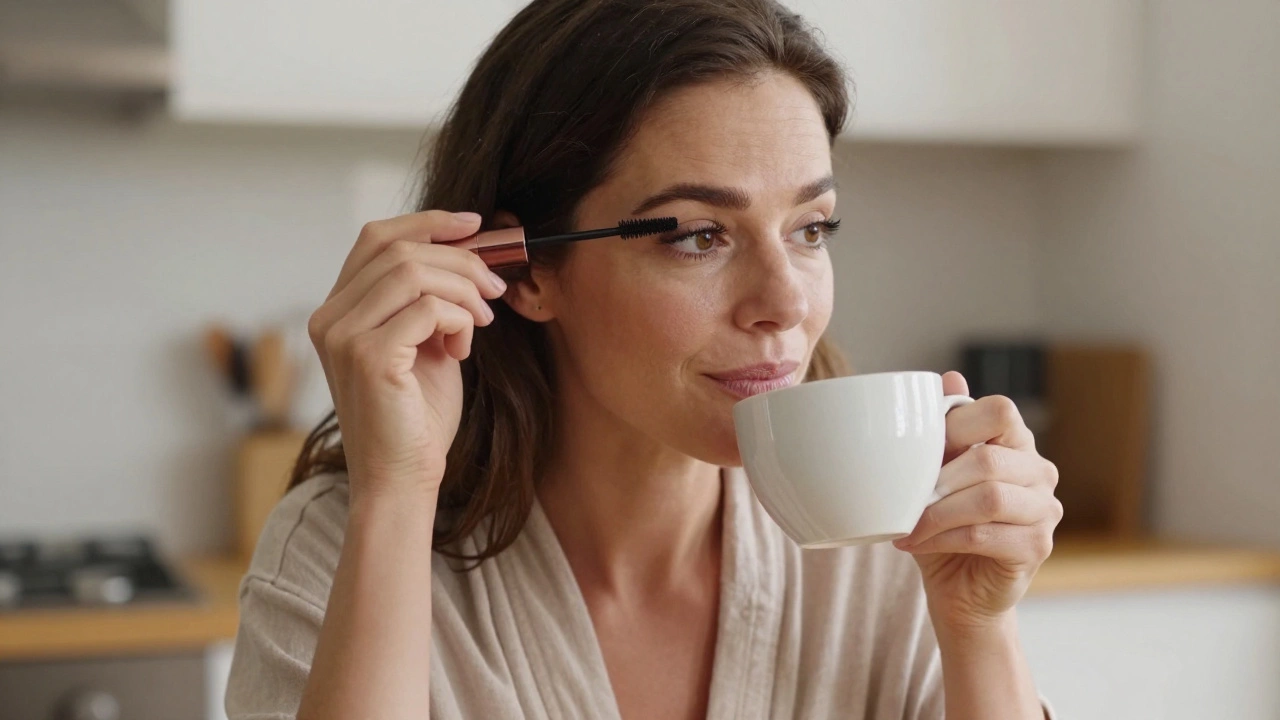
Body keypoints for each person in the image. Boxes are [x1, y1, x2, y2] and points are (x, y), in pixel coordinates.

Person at [224, 1, 1062, 718]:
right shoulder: (345, 545)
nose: (786, 302)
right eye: (698, 236)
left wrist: (978, 627)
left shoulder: (886, 522)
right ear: (523, 270)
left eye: (811, 229)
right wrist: (397, 493)